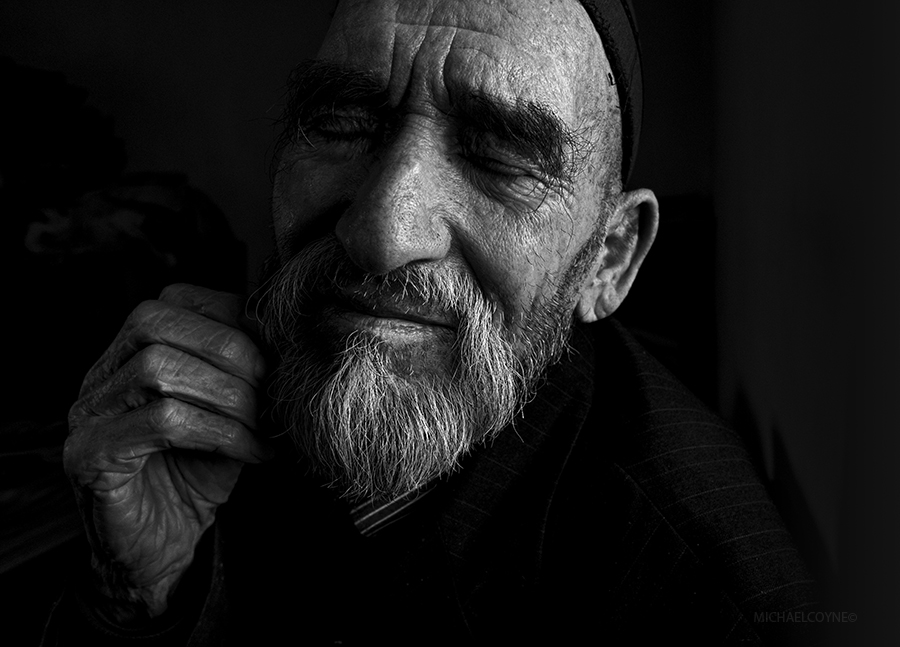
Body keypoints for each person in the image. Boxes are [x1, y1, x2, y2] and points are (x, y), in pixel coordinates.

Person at [43, 0, 818, 644]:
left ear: (609, 257)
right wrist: (133, 598)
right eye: (344, 122)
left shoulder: (703, 602)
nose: (382, 232)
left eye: (499, 157)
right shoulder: (209, 396)